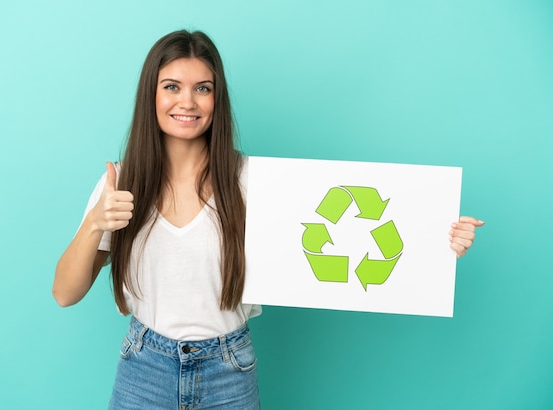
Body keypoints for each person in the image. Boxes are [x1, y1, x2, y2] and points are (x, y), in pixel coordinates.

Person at [52, 30, 484, 409]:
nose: (187, 101)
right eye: (172, 87)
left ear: (217, 99)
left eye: (203, 88)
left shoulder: (255, 182)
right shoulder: (121, 183)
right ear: (152, 94)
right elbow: (65, 293)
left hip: (228, 370)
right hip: (143, 369)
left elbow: (356, 232)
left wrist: (437, 239)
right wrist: (95, 223)